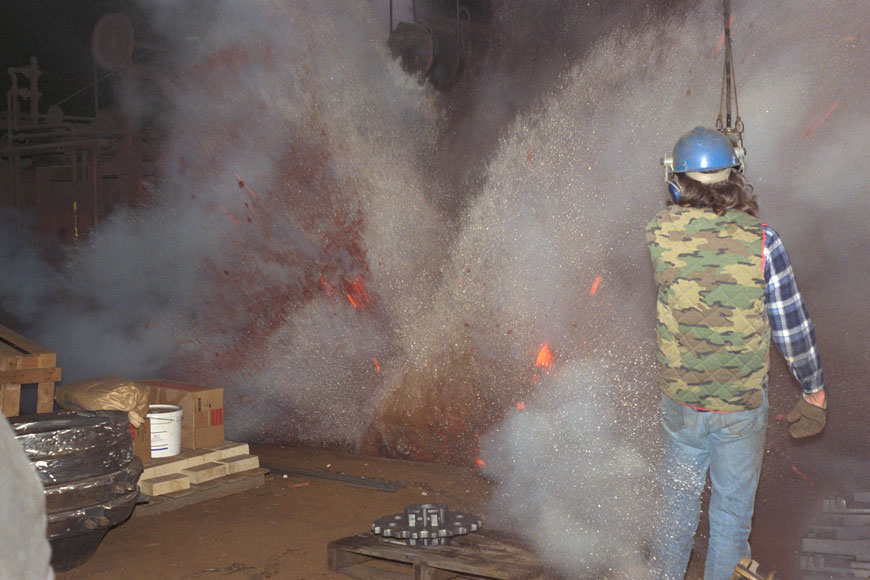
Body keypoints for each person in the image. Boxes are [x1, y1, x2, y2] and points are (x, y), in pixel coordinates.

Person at [645, 127, 827, 580]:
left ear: (674, 179)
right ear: (735, 176)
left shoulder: (658, 234)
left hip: (682, 404)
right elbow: (792, 329)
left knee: (675, 510)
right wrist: (814, 390)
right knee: (729, 519)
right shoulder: (764, 241)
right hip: (740, 406)